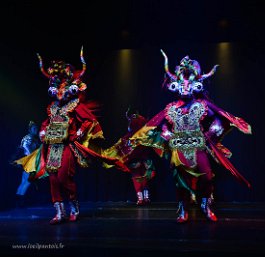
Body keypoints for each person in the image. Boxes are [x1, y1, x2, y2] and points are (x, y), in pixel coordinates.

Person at [126, 50, 252, 223]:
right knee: (180, 181)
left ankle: (205, 205)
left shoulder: (202, 104)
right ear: (175, 83)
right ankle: (183, 208)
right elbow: (160, 123)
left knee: (207, 177)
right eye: (181, 80)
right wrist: (166, 132)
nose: (185, 84)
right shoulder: (171, 107)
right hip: (178, 148)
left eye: (189, 79)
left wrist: (213, 130)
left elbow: (219, 117)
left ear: (197, 82)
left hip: (199, 146)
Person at [14, 48, 126, 224]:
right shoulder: (52, 107)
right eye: (56, 86)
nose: (59, 89)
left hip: (67, 146)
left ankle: (74, 206)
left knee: (64, 177)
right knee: (52, 178)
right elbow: (46, 123)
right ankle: (60, 212)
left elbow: (89, 121)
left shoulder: (75, 105)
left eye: (62, 85)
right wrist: (43, 131)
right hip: (52, 147)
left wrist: (81, 131)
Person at [103, 109, 156, 206]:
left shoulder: (135, 137)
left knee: (140, 178)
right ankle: (143, 197)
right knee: (141, 178)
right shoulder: (139, 136)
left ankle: (143, 198)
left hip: (141, 160)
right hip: (139, 161)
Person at [15, 121, 41, 207]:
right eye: (34, 129)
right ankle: (20, 201)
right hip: (28, 162)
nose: (36, 130)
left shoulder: (33, 138)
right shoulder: (28, 138)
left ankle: (19, 201)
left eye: (36, 128)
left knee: (25, 182)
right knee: (27, 182)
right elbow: (25, 147)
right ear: (30, 130)